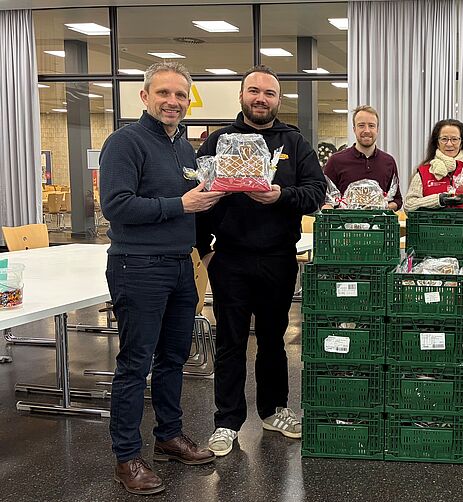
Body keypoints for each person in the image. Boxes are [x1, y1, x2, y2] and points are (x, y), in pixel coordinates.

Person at [100, 62, 224, 496]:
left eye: (180, 96)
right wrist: (180, 205)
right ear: (145, 96)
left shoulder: (185, 149)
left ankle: (169, 436)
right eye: (164, 94)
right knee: (135, 365)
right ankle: (127, 457)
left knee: (174, 359)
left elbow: (187, 202)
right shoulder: (124, 142)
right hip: (138, 267)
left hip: (179, 265)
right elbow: (116, 206)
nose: (173, 102)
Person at [195, 65, 327, 457]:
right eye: (253, 91)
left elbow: (315, 193)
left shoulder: (294, 143)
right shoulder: (218, 142)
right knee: (230, 342)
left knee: (273, 340)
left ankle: (273, 410)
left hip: (278, 258)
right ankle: (227, 422)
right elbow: (198, 197)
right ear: (241, 95)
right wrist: (204, 250)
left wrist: (280, 196)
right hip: (231, 259)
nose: (260, 98)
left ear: (278, 100)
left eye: (269, 93)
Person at [403, 118, 463, 216]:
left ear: (461, 143)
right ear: (437, 143)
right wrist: (439, 200)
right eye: (444, 139)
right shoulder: (424, 172)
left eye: (454, 139)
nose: (449, 144)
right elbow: (408, 206)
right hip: (431, 230)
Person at [323, 105, 402, 210]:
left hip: (379, 225)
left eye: (371, 125)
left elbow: (397, 199)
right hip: (345, 224)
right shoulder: (336, 161)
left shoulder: (388, 162)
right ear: (354, 129)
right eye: (361, 125)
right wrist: (328, 207)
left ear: (377, 129)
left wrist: (384, 207)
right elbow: (324, 198)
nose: (367, 130)